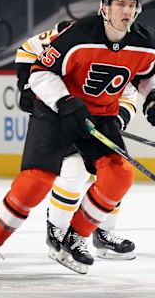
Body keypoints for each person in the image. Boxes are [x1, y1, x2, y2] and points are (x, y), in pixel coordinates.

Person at [0, 0, 155, 276]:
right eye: (120, 4)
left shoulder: (146, 41)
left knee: (120, 175)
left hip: (100, 117)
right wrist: (65, 101)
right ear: (105, 7)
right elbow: (40, 72)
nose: (126, 11)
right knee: (36, 182)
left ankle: (75, 237)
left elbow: (146, 76)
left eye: (132, 5)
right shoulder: (78, 34)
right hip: (56, 114)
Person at [15, 21, 138, 261]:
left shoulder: (116, 51)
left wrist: (118, 120)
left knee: (114, 172)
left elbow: (129, 91)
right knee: (74, 171)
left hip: (100, 118)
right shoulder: (59, 39)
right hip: (64, 116)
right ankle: (57, 231)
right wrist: (27, 86)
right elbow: (27, 50)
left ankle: (104, 233)